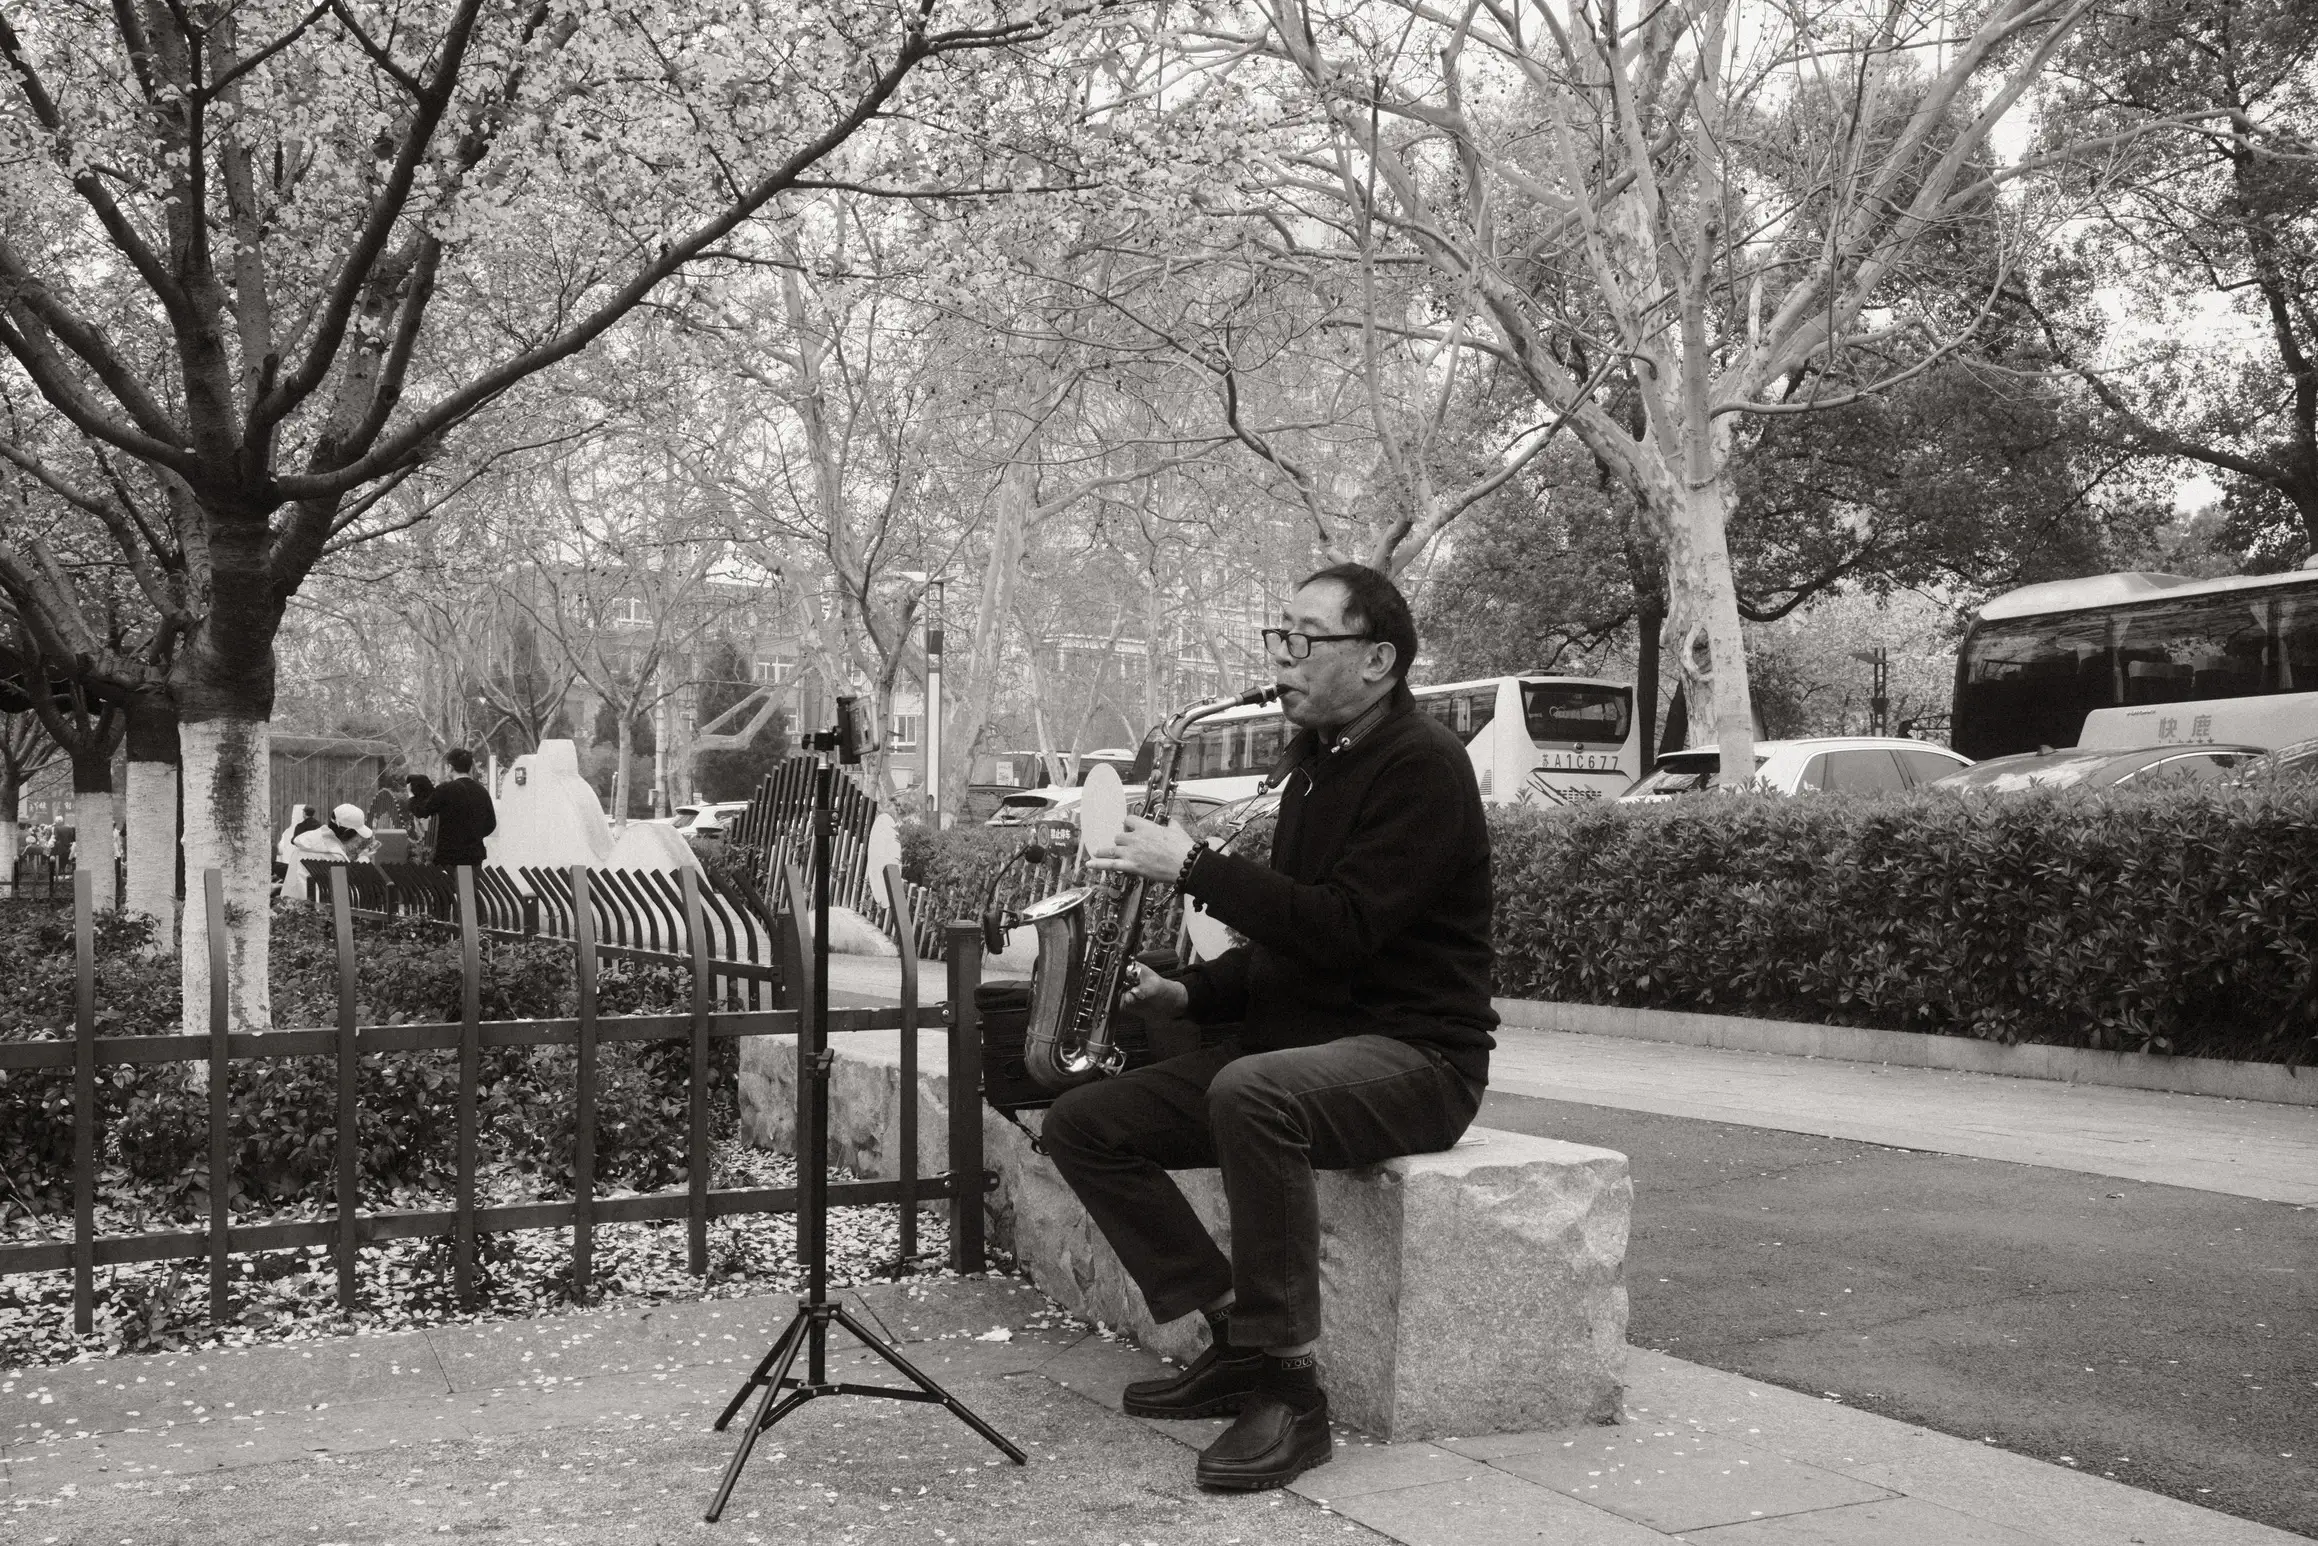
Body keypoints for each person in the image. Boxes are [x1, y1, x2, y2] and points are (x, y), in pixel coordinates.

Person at [1052, 562, 1496, 1493]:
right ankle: (1237, 1338)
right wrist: (1189, 996)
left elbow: (1345, 928)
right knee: (1085, 1125)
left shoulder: (1423, 765)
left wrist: (1197, 865)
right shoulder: (1316, 766)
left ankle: (1294, 1392)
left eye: (1305, 638)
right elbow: (1290, 943)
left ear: (1377, 659)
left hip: (1419, 1059)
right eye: (1279, 637)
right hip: (1307, 1048)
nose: (1282, 659)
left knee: (1252, 1092)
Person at [405, 747, 497, 869]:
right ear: (470, 767)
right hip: (473, 856)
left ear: (450, 767)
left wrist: (411, 796)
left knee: (448, 888)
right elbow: (491, 824)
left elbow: (422, 811)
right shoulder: (482, 792)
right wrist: (473, 836)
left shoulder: (445, 790)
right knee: (467, 888)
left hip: (449, 858)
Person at [292, 803, 377, 865]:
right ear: (346, 832)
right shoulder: (336, 856)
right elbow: (346, 887)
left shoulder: (307, 840)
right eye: (355, 834)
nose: (356, 839)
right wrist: (363, 859)